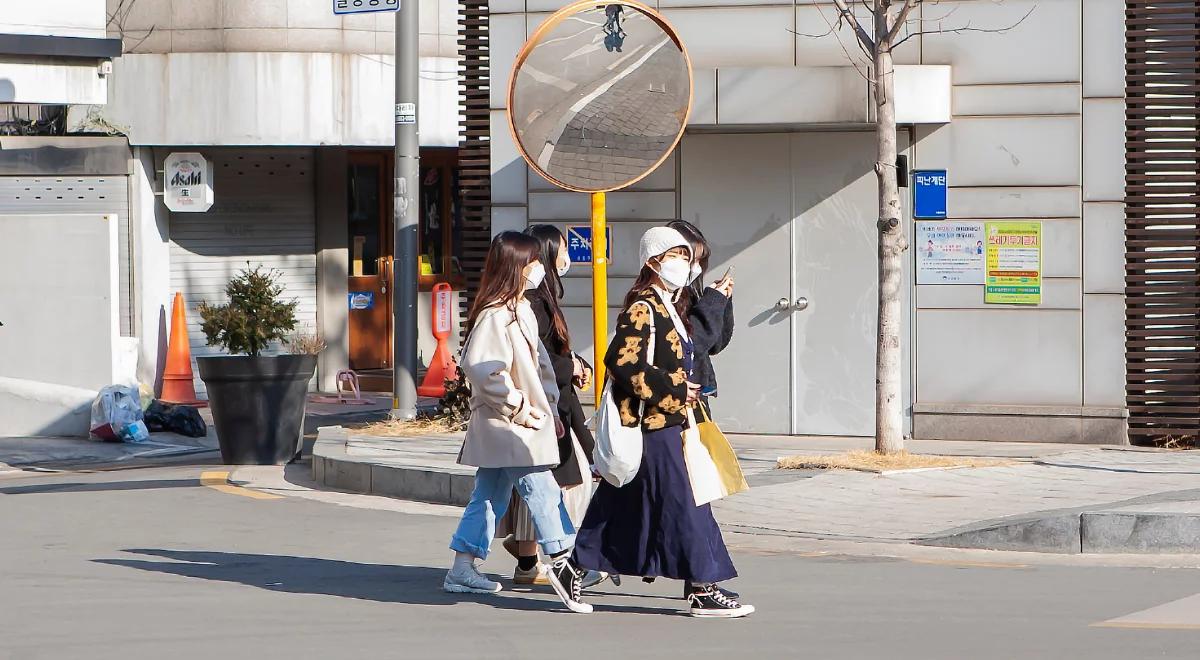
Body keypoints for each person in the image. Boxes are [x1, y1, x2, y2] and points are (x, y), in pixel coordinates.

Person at [567, 227, 754, 619]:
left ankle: (574, 567)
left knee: (624, 502)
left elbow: (704, 344)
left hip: (674, 420)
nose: (684, 265)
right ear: (653, 261)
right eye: (676, 256)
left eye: (688, 258)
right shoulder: (643, 306)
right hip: (653, 421)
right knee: (688, 500)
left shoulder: (668, 304)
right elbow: (621, 363)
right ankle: (703, 587)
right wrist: (675, 389)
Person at [443, 231, 592, 614]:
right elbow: (484, 370)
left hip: (516, 423)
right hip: (509, 424)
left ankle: (462, 566)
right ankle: (563, 561)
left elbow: (538, 368)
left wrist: (549, 411)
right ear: (517, 267)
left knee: (490, 495)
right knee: (541, 488)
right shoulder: (497, 314)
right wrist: (523, 408)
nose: (540, 268)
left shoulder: (517, 308)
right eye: (533, 262)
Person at [495, 224, 607, 589]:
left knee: (518, 490)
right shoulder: (529, 305)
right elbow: (529, 361)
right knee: (555, 488)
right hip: (538, 410)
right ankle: (562, 561)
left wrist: (574, 364)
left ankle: (527, 561)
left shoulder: (537, 300)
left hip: (542, 409)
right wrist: (569, 367)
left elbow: (546, 356)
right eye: (561, 249)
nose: (566, 257)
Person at [666, 219, 737, 599]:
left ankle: (700, 580)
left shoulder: (689, 292)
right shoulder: (660, 300)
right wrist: (714, 301)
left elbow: (716, 341)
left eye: (700, 259)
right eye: (689, 257)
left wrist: (721, 300)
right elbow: (691, 343)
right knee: (693, 492)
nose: (694, 266)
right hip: (673, 407)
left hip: (695, 401)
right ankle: (701, 583)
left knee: (695, 491)